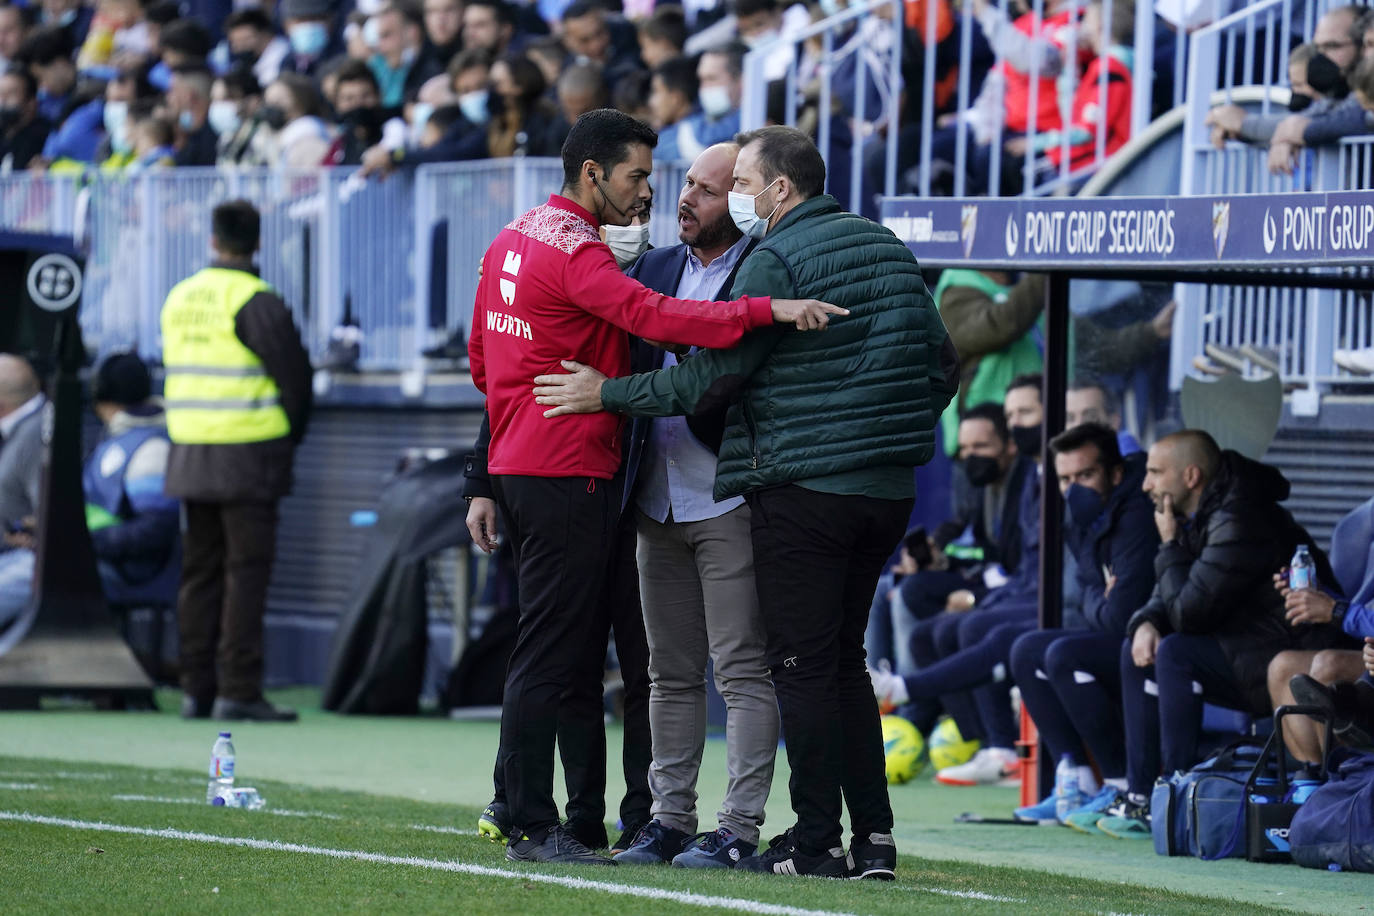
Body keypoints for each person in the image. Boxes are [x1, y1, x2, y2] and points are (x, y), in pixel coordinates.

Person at [533, 124, 958, 878]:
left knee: (788, 666)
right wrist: (879, 433)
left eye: (732, 185)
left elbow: (711, 381)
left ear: (778, 190)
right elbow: (941, 367)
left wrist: (609, 394)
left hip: (793, 490)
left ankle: (805, 840)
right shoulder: (886, 245)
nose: (710, 197)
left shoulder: (778, 256)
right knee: (833, 663)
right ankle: (872, 842)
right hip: (878, 490)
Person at [467, 109, 842, 867]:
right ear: (593, 173)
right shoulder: (579, 252)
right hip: (570, 464)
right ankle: (533, 821)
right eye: (639, 175)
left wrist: (504, 437)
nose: (651, 192)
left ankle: (543, 811)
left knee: (556, 647)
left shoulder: (513, 237)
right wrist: (767, 310)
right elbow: (658, 315)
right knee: (557, 652)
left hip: (527, 460)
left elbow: (482, 360)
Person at [609, 142, 779, 871]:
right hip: (656, 497)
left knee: (741, 670)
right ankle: (668, 820)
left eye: (708, 191)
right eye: (687, 185)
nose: (686, 200)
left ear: (739, 203)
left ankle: (738, 826)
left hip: (728, 496)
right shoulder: (651, 268)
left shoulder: (763, 270)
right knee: (667, 673)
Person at [1107, 431, 1350, 837]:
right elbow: (1170, 596)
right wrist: (1146, 621)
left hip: (1284, 656)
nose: (1145, 484)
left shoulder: (1240, 518)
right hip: (1247, 647)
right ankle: (1142, 797)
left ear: (1191, 476)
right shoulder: (1203, 511)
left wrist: (1168, 545)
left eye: (1154, 473)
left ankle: (1179, 792)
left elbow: (1189, 612)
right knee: (1138, 649)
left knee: (1177, 653)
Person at [161, 200, 312, 722]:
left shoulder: (180, 296)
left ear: (212, 240)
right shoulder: (256, 300)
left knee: (199, 574)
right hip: (249, 456)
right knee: (244, 574)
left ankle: (195, 689)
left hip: (188, 453)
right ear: (258, 243)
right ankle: (238, 691)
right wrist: (288, 437)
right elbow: (296, 381)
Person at [872, 376, 1045, 788]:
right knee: (907, 596)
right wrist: (940, 556)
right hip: (1004, 586)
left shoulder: (1032, 477)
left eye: (980, 447)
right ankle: (983, 741)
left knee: (964, 625)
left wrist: (970, 593)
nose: (969, 457)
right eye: (964, 449)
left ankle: (982, 737)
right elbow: (975, 541)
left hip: (1024, 592)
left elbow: (1017, 564)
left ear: (1008, 445)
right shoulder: (981, 486)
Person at [1006, 422, 1158, 828]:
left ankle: (1119, 785)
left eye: (1085, 475)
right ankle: (1077, 779)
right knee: (1025, 650)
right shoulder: (1080, 515)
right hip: (1117, 635)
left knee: (1063, 655)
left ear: (1115, 473)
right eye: (1066, 478)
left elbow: (1120, 615)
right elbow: (1092, 592)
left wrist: (1100, 595)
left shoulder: (1135, 515)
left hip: (1148, 642)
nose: (1075, 488)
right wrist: (1101, 592)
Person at [82, 352, 180, 606]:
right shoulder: (120, 436)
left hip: (126, 571)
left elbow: (154, 529)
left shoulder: (150, 448)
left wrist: (85, 542)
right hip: (103, 559)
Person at [0, 354, 44, 633]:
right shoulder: (22, 428)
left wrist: (23, 532)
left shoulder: (36, 434)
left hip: (26, 561)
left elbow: (53, 518)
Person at [0, 65, 51, 171]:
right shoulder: (3, 135)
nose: (3, 101)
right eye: (0, 94)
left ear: (31, 102)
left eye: (11, 94)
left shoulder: (44, 135)